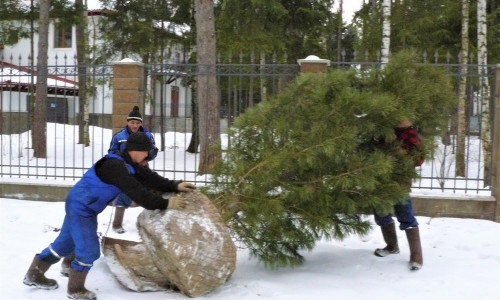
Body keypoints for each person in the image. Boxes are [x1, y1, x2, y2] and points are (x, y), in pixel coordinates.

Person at [23, 132, 196, 300]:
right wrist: (166, 203)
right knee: (89, 251)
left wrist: (175, 185)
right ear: (135, 150)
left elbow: (150, 178)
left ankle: (34, 274)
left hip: (83, 205)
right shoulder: (114, 166)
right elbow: (138, 192)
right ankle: (76, 289)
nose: (148, 157)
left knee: (64, 244)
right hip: (82, 208)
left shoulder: (130, 164)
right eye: (146, 153)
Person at [373, 120, 424, 271]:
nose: (402, 120)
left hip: (400, 183)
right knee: (381, 214)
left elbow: (419, 159)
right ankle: (392, 246)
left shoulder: (413, 137)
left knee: (406, 215)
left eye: (405, 118)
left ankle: (416, 256)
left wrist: (402, 155)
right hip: (381, 180)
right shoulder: (384, 133)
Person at [108, 105, 159, 234]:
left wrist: (146, 157)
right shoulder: (119, 137)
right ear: (127, 122)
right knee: (124, 194)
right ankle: (117, 224)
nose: (134, 125)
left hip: (142, 169)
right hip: (125, 170)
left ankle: (152, 223)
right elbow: (112, 152)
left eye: (137, 123)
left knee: (150, 192)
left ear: (141, 123)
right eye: (132, 122)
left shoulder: (147, 135)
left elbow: (153, 150)